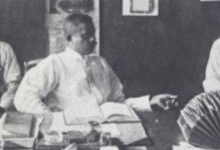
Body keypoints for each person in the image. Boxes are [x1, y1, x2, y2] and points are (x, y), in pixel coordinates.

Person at [13, 13, 177, 114]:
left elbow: (117, 104)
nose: (93, 40)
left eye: (93, 34)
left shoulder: (100, 63)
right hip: (70, 132)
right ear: (68, 38)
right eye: (86, 36)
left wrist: (150, 101)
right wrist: (53, 120)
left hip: (105, 129)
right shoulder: (55, 63)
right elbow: (23, 98)